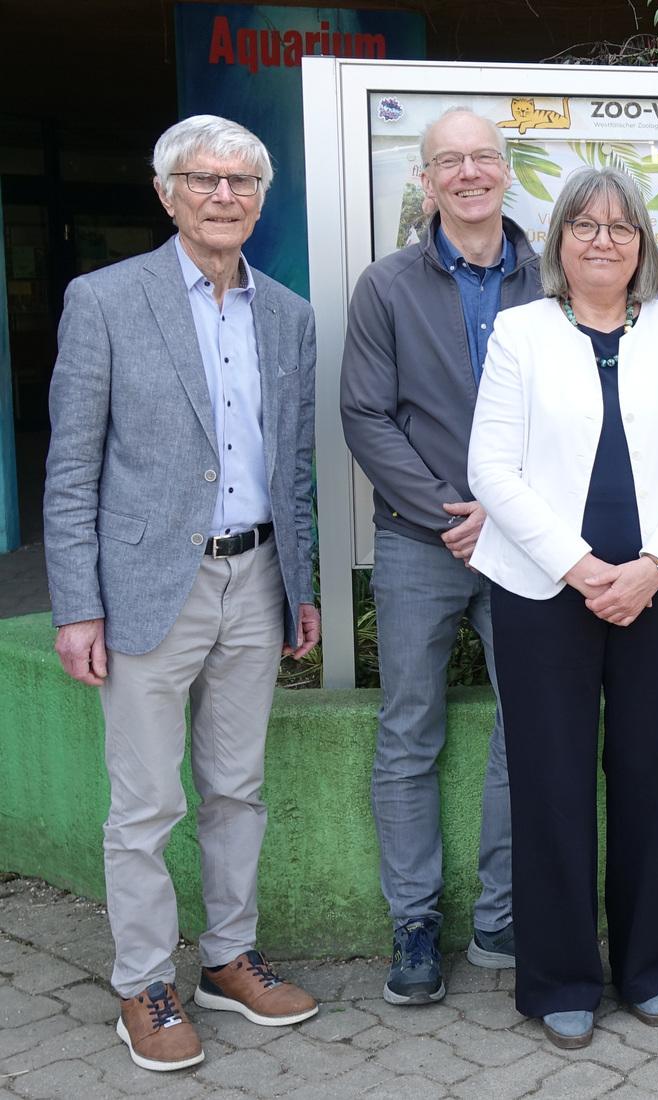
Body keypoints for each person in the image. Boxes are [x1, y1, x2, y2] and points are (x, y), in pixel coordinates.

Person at [43, 114, 320, 1072]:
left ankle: (229, 958)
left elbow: (295, 468)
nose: (223, 195)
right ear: (167, 194)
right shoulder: (105, 299)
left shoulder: (286, 312)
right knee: (146, 803)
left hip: (257, 578)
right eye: (202, 179)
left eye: (242, 182)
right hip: (148, 586)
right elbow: (72, 466)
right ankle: (144, 982)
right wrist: (78, 603)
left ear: (259, 198)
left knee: (238, 788)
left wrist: (304, 585)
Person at [467, 166, 658, 1048]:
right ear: (558, 243)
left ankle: (648, 966)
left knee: (653, 779)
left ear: (643, 246)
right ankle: (559, 979)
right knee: (550, 784)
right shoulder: (519, 333)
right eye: (584, 225)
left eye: (621, 227)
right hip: (545, 593)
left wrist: (650, 566)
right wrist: (583, 570)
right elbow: (491, 470)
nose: (603, 240)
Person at [341, 106, 540, 1004]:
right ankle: (414, 923)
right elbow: (365, 415)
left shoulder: (552, 276)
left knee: (526, 729)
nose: (467, 173)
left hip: (531, 547)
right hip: (420, 541)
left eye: (482, 158)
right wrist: (449, 510)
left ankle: (502, 917)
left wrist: (507, 518)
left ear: (506, 172)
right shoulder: (386, 286)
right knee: (407, 732)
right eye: (447, 161)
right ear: (425, 181)